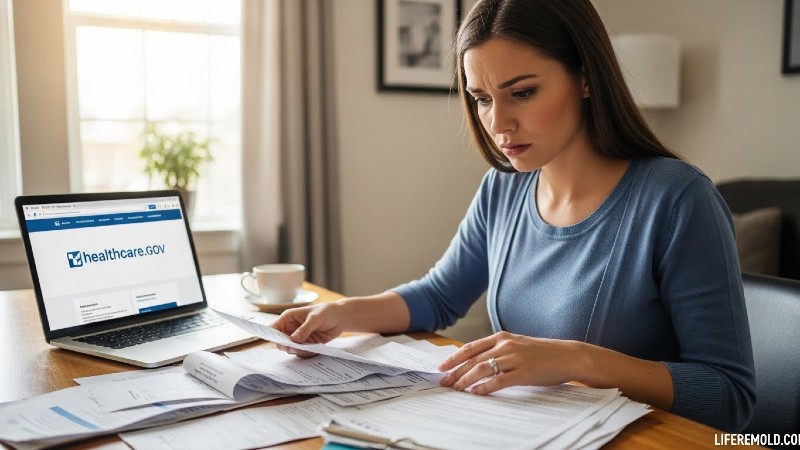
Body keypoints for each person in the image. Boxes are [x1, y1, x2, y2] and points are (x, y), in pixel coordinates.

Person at [273, 0, 755, 432]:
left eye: (521, 92)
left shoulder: (677, 199)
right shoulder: (504, 187)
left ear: (586, 76)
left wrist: (577, 360)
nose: (497, 123)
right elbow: (441, 295)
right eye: (481, 98)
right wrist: (345, 312)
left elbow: (730, 397)